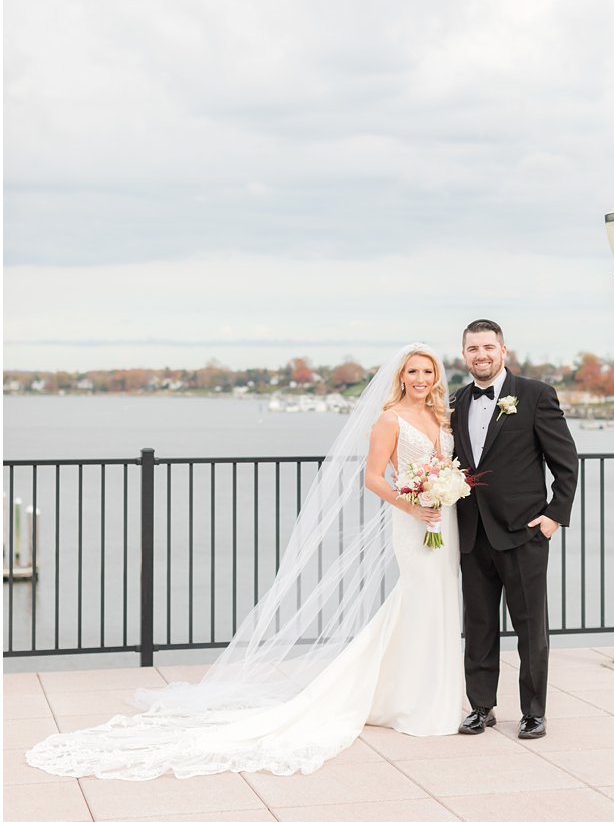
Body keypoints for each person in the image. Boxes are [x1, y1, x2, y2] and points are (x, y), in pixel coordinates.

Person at [25, 343, 470, 780]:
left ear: (435, 378)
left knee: (439, 602)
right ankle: (410, 700)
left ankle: (430, 694)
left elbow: (447, 464)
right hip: (413, 522)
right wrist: (412, 507)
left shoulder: (439, 417)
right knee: (420, 599)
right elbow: (373, 478)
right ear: (401, 377)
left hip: (443, 519)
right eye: (413, 372)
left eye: (427, 373)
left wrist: (445, 490)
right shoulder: (388, 420)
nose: (420, 380)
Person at [451, 318, 578, 741]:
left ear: (503, 351)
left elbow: (566, 462)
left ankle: (533, 712)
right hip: (472, 534)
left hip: (524, 532)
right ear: (464, 354)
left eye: (488, 347)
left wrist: (554, 517)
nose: (481, 355)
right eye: (473, 349)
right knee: (479, 625)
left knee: (530, 628)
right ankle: (481, 707)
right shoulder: (457, 401)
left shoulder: (536, 395)